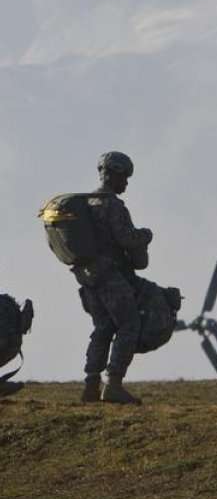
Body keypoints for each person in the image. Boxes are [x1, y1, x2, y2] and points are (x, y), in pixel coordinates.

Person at [74, 152, 152, 404]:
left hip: (89, 279)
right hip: (110, 277)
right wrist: (145, 236)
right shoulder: (112, 205)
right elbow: (126, 239)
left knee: (102, 328)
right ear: (113, 175)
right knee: (129, 325)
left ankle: (90, 385)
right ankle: (114, 384)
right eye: (124, 177)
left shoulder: (87, 203)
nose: (126, 183)